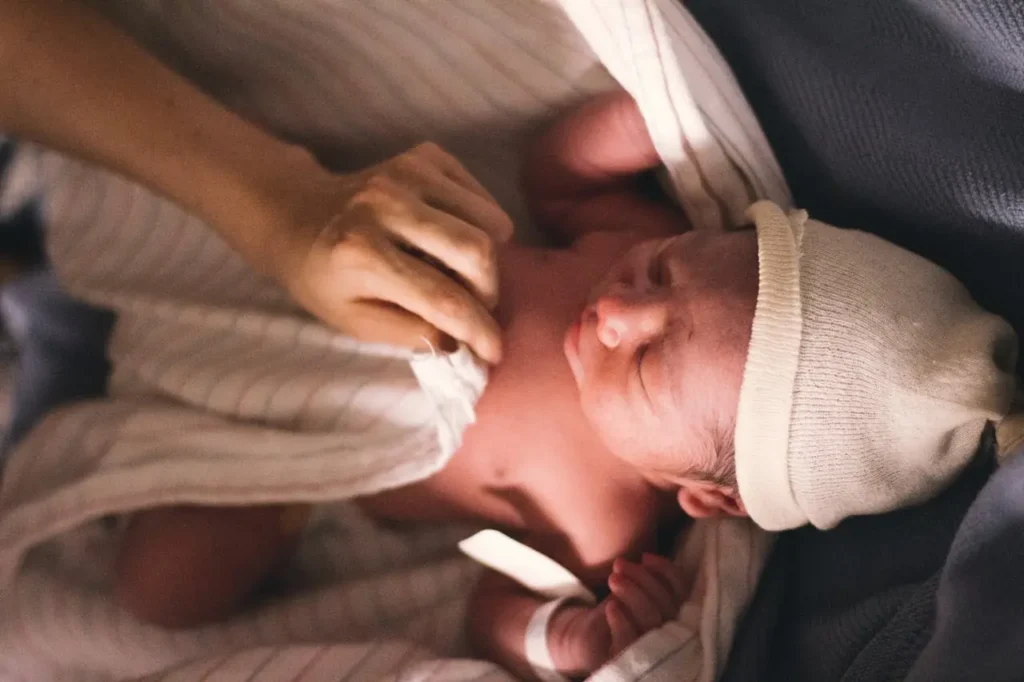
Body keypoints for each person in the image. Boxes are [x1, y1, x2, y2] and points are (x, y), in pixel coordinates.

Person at [113, 90, 1016, 680]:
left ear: (702, 494)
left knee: (163, 598)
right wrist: (639, 120)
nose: (620, 312)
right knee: (152, 205)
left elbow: (489, 606)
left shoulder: (605, 529)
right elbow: (559, 180)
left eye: (650, 364)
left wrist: (563, 639)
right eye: (664, 274)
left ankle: (254, 511)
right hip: (301, 286)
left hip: (301, 464)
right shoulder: (622, 239)